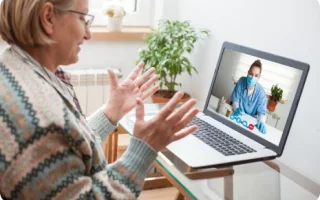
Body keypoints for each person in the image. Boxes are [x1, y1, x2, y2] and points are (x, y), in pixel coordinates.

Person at [0, 0, 199, 199]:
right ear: (48, 17)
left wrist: (111, 112)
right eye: (82, 18)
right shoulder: (38, 119)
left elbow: (67, 146)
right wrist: (143, 148)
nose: (88, 34)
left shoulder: (16, 67)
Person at [231, 59, 268, 134]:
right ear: (248, 73)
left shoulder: (261, 92)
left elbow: (262, 113)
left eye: (256, 75)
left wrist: (261, 121)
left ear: (259, 77)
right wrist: (236, 108)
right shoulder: (241, 81)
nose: (253, 78)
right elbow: (235, 99)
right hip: (238, 117)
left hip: (249, 123)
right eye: (251, 74)